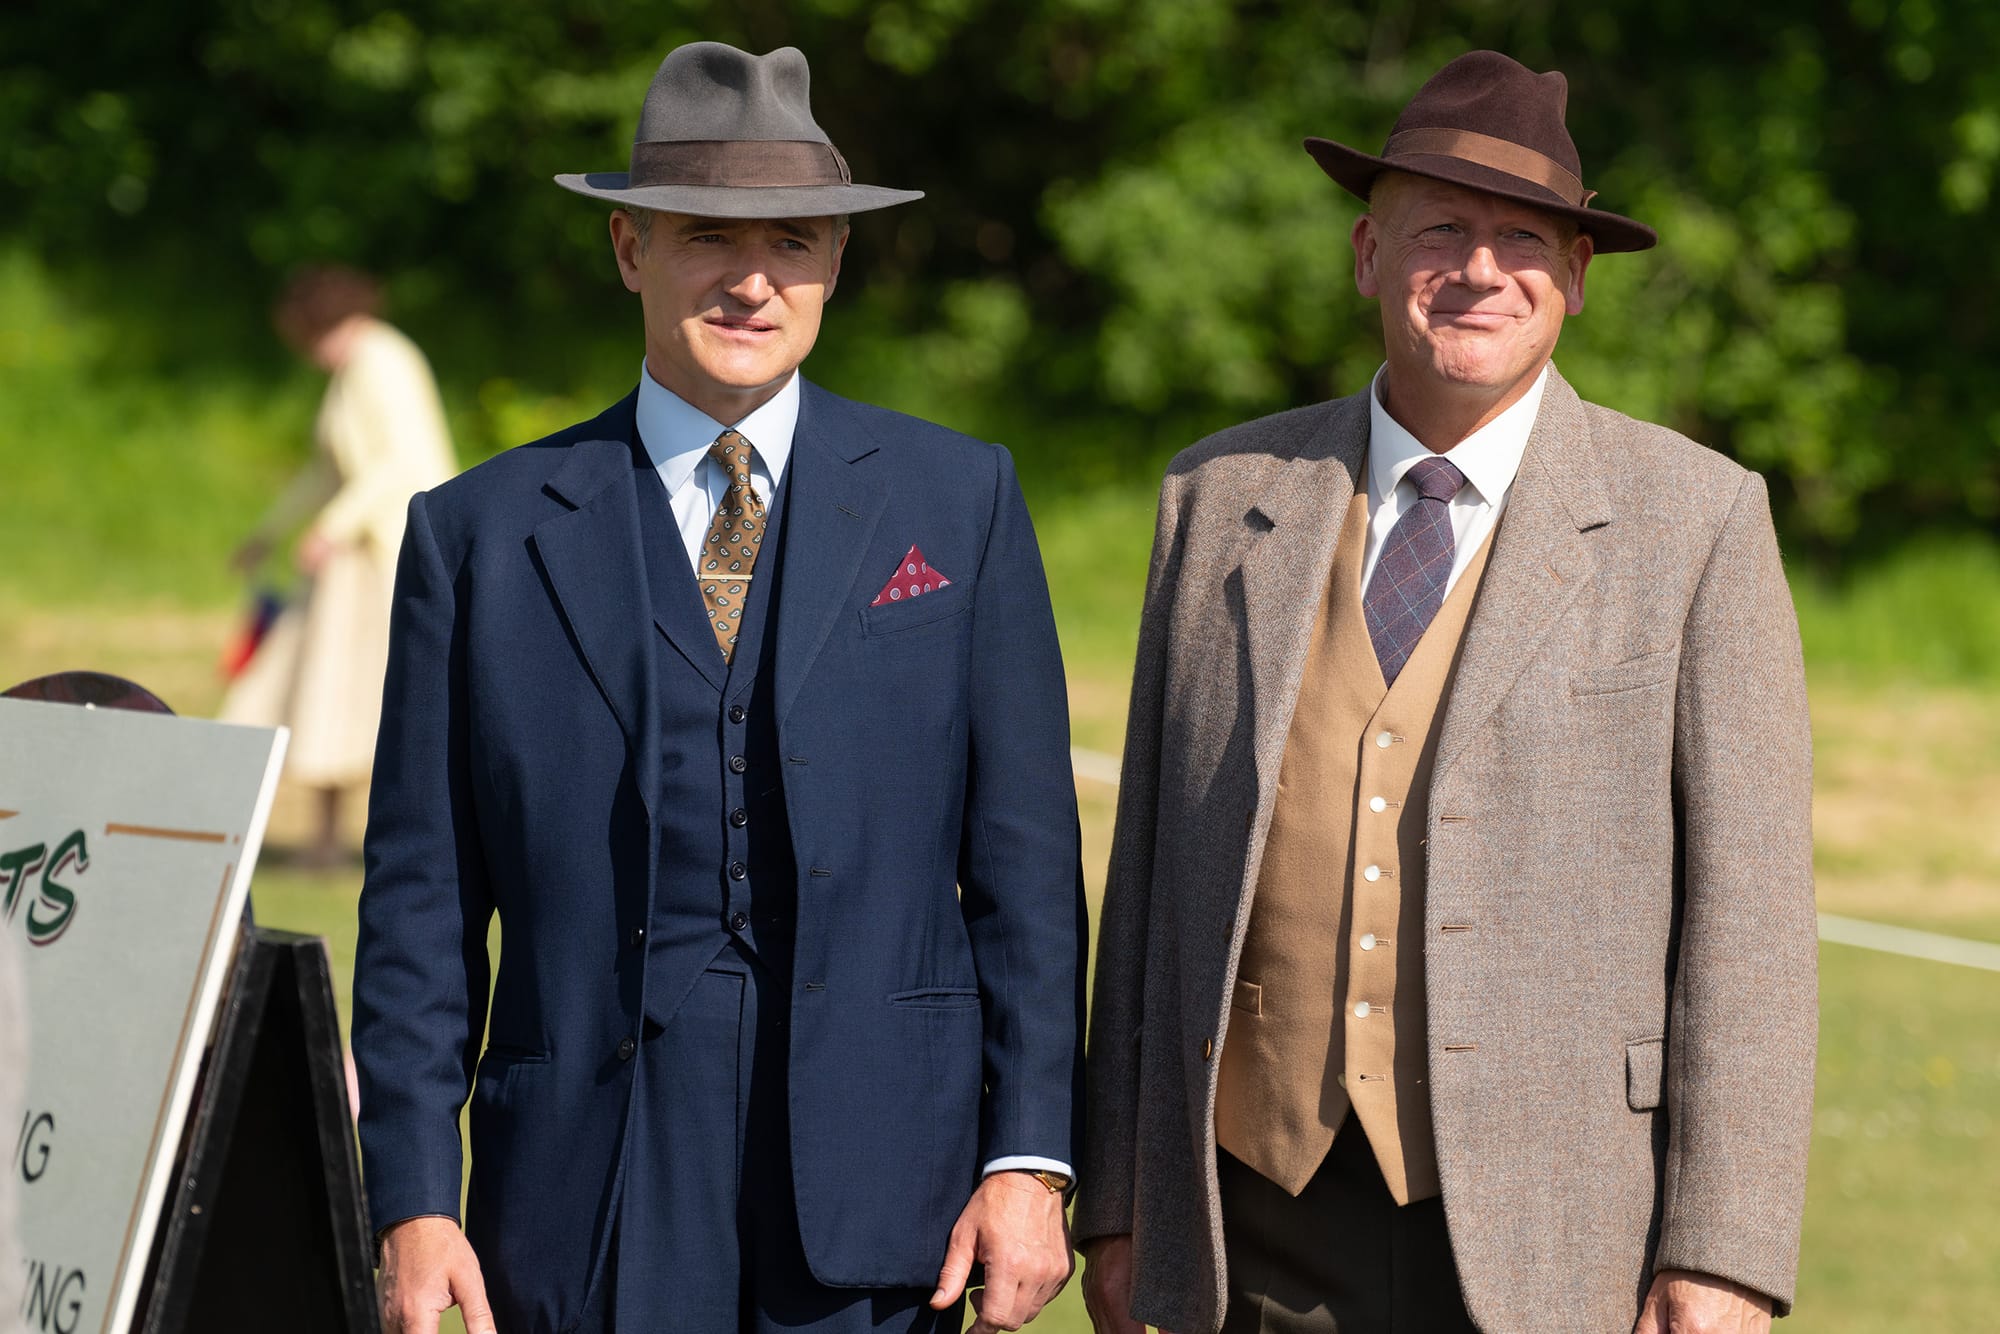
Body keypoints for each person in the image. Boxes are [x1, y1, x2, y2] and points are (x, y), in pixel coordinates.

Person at [1075, 51, 1815, 1334]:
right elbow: (1142, 884)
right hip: (1251, 1219)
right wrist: (1122, 1199)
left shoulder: (1694, 520)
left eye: (1522, 239)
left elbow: (1749, 925)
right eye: (1440, 230)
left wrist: (1725, 1250)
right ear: (1369, 253)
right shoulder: (1213, 499)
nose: (1478, 270)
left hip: (1555, 1232)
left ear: (1575, 280)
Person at [351, 41, 1085, 1334]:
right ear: (630, 249)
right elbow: (420, 905)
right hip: (585, 1189)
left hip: (882, 1190)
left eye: (794, 242)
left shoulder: (958, 500)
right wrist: (414, 1197)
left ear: (837, 262)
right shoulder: (475, 534)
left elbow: (1024, 872)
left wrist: (1027, 1157)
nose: (754, 280)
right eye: (709, 239)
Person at [222, 266, 457, 866]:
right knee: (325, 695)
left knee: (369, 699)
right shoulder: (354, 368)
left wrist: (331, 529)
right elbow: (327, 469)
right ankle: (324, 843)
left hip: (387, 555)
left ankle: (390, 845)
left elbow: (396, 463)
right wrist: (268, 533)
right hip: (351, 555)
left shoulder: (383, 361)